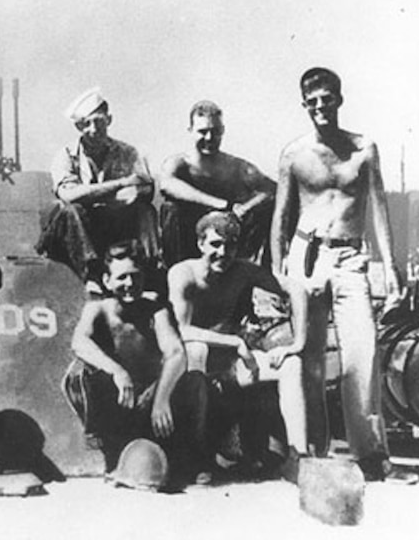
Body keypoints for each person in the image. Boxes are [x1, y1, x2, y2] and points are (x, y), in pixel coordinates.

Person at [271, 67, 415, 483]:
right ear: (304, 105)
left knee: (362, 353)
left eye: (327, 98)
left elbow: (378, 209)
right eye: (312, 101)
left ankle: (370, 455)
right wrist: (280, 271)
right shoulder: (294, 154)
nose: (320, 107)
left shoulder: (364, 150)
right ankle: (313, 453)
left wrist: (390, 266)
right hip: (307, 256)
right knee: (309, 357)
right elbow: (281, 217)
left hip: (351, 258)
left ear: (339, 99)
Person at [168, 211, 308, 482]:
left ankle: (297, 457)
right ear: (200, 245)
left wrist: (298, 342)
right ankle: (198, 459)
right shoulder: (183, 274)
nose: (224, 253)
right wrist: (235, 341)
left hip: (229, 365)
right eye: (215, 245)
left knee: (292, 364)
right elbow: (181, 330)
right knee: (197, 349)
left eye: (231, 245)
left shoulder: (242, 271)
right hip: (192, 370)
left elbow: (296, 289)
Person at [63, 240, 209, 488]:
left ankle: (191, 460)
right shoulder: (96, 309)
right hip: (118, 406)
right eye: (121, 278)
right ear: (107, 282)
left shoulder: (156, 310)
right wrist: (118, 372)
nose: (129, 284)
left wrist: (161, 400)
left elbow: (175, 353)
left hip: (152, 406)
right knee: (79, 374)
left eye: (135, 277)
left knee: (196, 381)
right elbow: (79, 342)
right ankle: (111, 454)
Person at [35, 88, 161, 291]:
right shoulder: (66, 155)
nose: (94, 129)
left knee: (144, 210)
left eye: (99, 121)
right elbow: (70, 194)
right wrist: (120, 184)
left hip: (108, 223)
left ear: (109, 120)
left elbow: (144, 188)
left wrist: (97, 197)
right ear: (78, 126)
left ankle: (150, 270)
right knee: (72, 210)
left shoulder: (127, 152)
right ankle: (91, 274)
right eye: (86, 124)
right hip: (69, 234)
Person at [160, 101, 276, 267]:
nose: (209, 138)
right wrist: (222, 204)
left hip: (228, 236)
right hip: (189, 241)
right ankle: (174, 275)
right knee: (171, 209)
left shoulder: (236, 166)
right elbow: (167, 184)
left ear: (222, 131)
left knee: (268, 208)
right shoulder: (179, 163)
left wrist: (245, 208)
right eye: (203, 132)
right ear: (190, 131)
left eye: (215, 132)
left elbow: (271, 189)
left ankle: (256, 272)